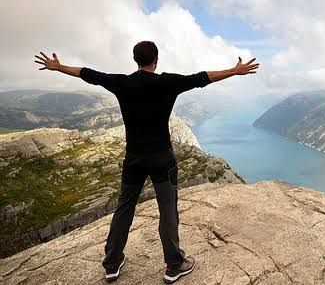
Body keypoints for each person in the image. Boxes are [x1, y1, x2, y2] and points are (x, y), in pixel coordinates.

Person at [33, 41, 259, 283]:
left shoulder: (122, 82)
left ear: (135, 59)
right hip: (162, 159)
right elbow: (202, 78)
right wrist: (234, 71)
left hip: (134, 159)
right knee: (167, 210)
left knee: (124, 208)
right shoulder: (167, 82)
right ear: (156, 59)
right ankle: (173, 265)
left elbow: (88, 74)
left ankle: (112, 263)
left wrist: (59, 67)